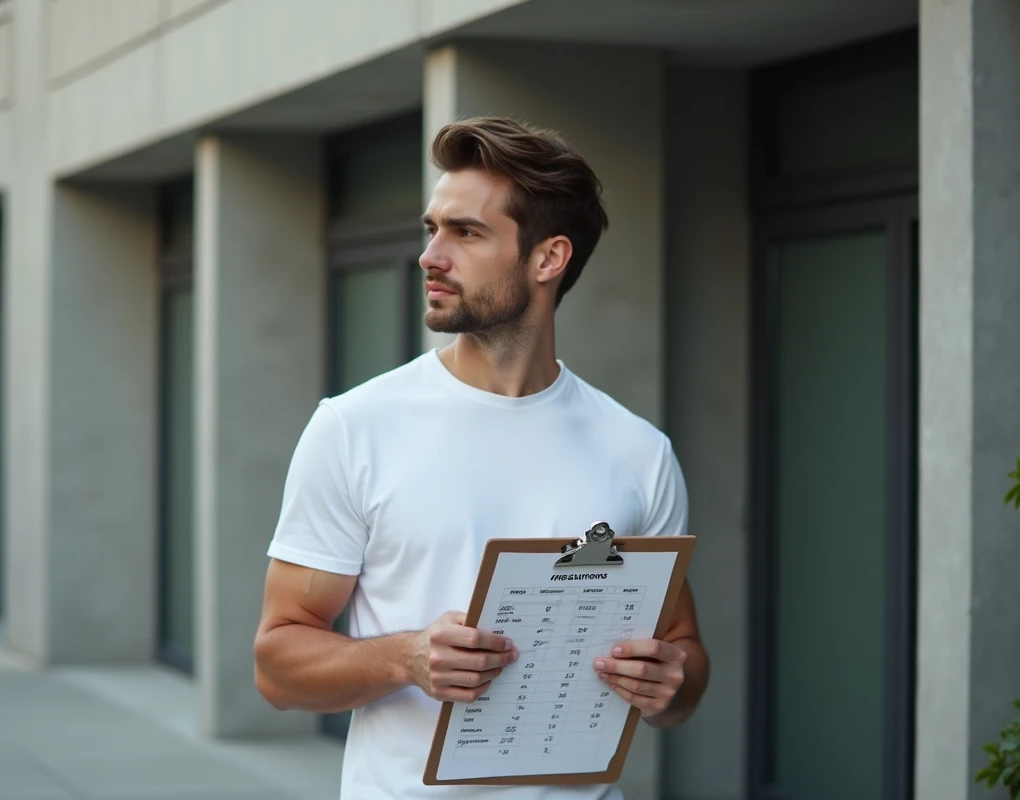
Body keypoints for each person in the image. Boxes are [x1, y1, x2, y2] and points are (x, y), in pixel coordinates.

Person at [253, 116, 708, 799]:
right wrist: (403, 658)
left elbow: (683, 659)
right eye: (432, 228)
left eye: (465, 233)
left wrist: (671, 684)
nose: (430, 255)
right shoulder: (355, 428)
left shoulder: (638, 451)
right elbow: (277, 667)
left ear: (548, 259)